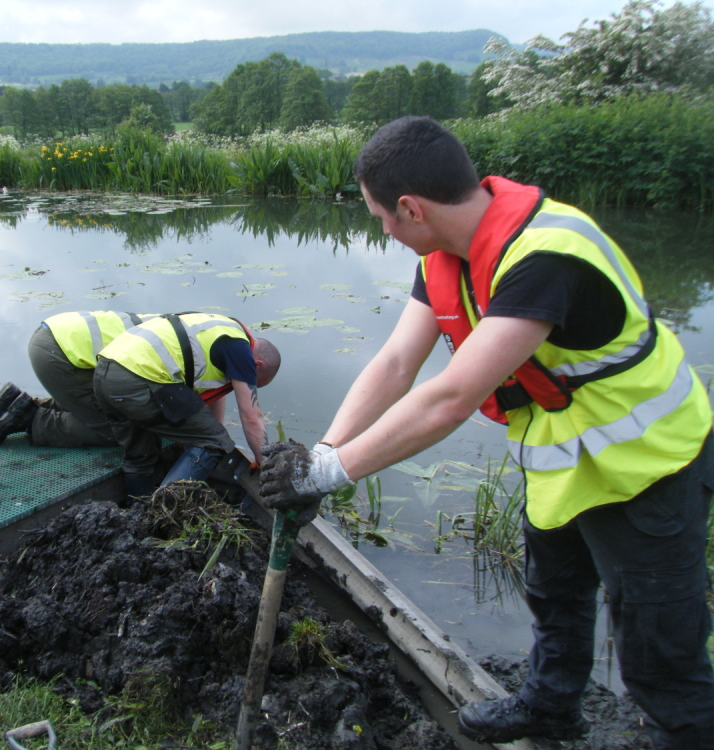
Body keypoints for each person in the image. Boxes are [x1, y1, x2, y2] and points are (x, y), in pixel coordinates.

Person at [259, 116, 714, 749]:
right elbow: (396, 363)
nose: (383, 231)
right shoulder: (447, 253)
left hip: (648, 464)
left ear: (411, 208)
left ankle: (683, 734)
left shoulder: (546, 255)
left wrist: (331, 475)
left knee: (657, 639)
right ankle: (551, 707)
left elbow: (449, 398)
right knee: (554, 594)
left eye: (381, 218)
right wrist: (324, 451)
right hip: (565, 462)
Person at [92, 312, 281, 496]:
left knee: (140, 455)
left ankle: (138, 510)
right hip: (138, 379)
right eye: (253, 380)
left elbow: (216, 393)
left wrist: (207, 430)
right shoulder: (240, 349)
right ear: (258, 365)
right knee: (215, 442)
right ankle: (165, 508)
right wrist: (265, 465)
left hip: (104, 373)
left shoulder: (223, 330)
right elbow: (251, 417)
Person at [0, 310, 160, 447]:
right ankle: (32, 419)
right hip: (62, 354)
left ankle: (22, 404)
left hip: (56, 333)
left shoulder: (178, 324)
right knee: (123, 431)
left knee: (103, 404)